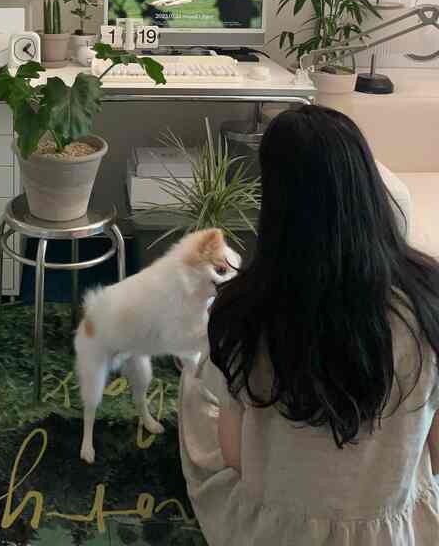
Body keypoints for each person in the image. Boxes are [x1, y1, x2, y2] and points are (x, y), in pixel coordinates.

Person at [179, 104, 439, 545]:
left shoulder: (240, 314)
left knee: (195, 381)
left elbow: (235, 457)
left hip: (277, 532)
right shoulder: (428, 300)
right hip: (390, 531)